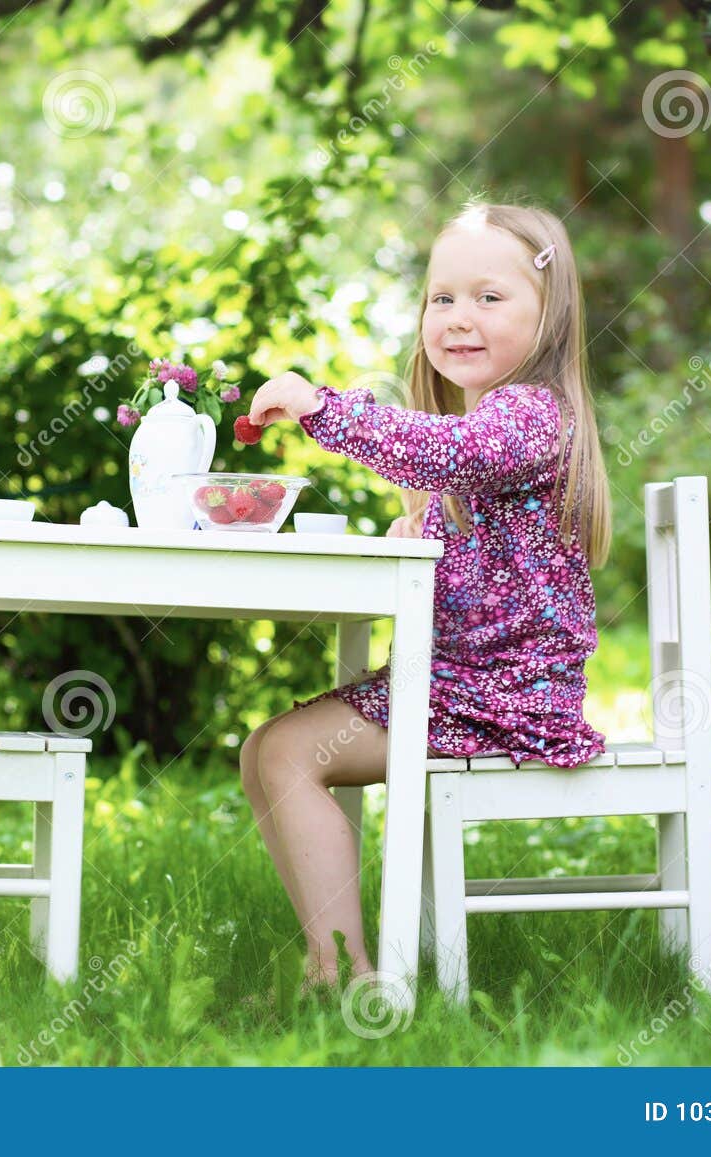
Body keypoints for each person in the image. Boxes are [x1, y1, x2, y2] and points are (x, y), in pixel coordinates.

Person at [241, 197, 613, 993]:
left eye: (489, 297)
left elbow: (445, 448)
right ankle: (330, 960)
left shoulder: (528, 417)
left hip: (505, 695)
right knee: (263, 750)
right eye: (441, 298)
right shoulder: (493, 427)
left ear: (550, 316)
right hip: (470, 685)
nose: (458, 318)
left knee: (283, 751)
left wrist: (322, 408)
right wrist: (425, 548)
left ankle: (344, 972)